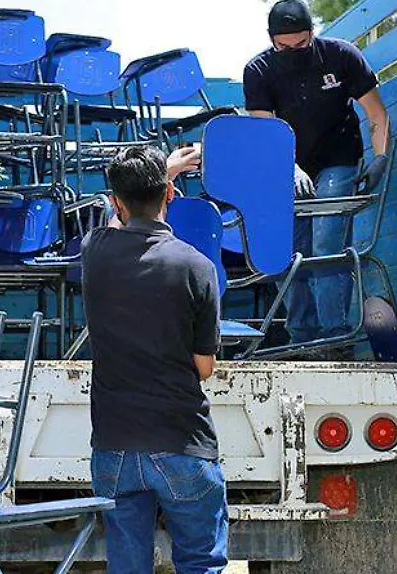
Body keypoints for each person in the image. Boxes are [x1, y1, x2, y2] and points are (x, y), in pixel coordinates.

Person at [81, 147, 228, 574]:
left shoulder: (96, 252)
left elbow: (119, 219)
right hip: (182, 441)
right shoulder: (197, 266)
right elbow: (205, 367)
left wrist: (157, 175)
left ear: (115, 203)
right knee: (200, 563)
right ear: (170, 194)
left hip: (114, 447)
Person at [242, 0, 391, 346]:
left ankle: (334, 339)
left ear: (312, 33)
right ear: (271, 40)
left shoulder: (341, 56)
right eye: (284, 46)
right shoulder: (259, 71)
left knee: (326, 244)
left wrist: (380, 157)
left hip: (338, 155)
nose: (293, 51)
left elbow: (377, 114)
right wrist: (290, 166)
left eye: (301, 44)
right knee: (290, 252)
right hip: (285, 163)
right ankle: (302, 338)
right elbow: (267, 133)